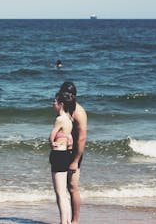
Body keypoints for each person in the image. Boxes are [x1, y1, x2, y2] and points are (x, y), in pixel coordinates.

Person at [59, 81, 87, 224]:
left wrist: (75, 160)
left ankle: (75, 221)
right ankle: (64, 220)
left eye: (66, 95)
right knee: (61, 188)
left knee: (72, 187)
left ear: (73, 96)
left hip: (74, 154)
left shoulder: (79, 112)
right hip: (63, 151)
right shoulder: (65, 108)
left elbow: (81, 138)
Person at [49, 91, 75, 224]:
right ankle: (67, 221)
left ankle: (63, 222)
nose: (53, 104)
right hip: (65, 155)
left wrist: (52, 143)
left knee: (59, 192)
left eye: (54, 102)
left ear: (61, 104)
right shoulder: (69, 119)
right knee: (64, 192)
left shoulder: (59, 119)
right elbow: (69, 138)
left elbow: (51, 137)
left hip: (58, 154)